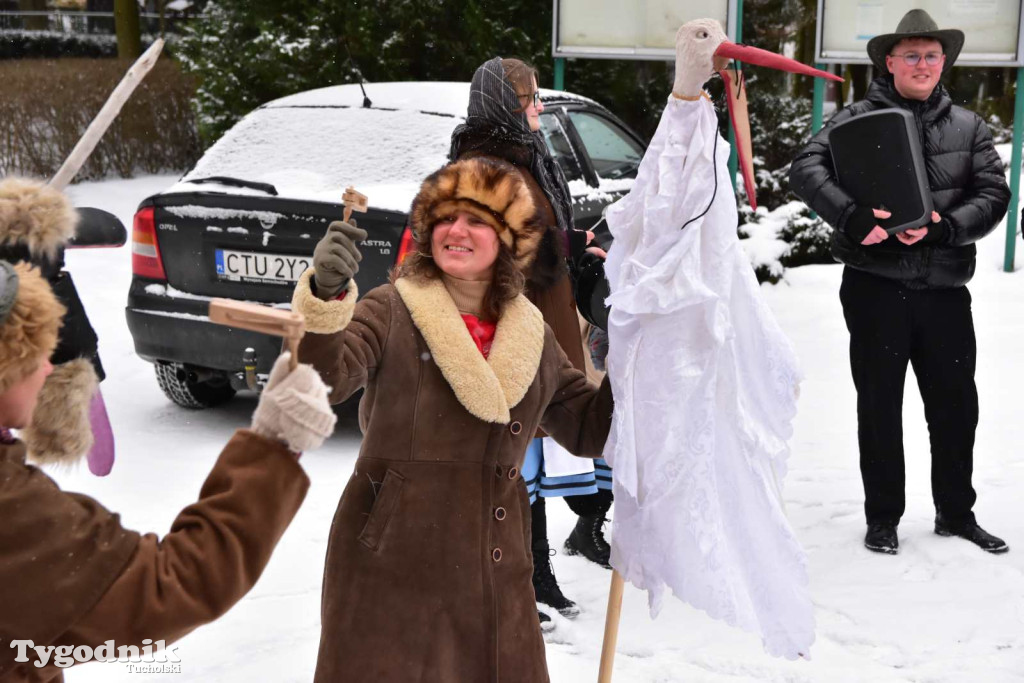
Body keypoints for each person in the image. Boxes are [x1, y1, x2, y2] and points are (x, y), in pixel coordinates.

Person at [295, 155, 613, 682]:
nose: (456, 231)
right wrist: (324, 298)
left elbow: (590, 429)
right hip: (392, 566)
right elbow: (324, 382)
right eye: (444, 218)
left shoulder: (531, 333)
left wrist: (626, 337)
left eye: (476, 220)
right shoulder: (390, 309)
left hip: (495, 572)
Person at [0, 224, 336, 680]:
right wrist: (274, 445)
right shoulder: (11, 508)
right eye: (29, 353)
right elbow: (169, 586)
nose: (47, 366)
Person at [790, 9, 1011, 555]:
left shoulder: (969, 127)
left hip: (944, 291)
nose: (922, 64)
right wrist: (851, 217)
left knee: (956, 406)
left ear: (943, 63)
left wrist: (945, 227)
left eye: (931, 55)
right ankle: (883, 517)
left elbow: (993, 194)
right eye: (911, 55)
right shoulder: (854, 120)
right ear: (889, 62)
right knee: (880, 406)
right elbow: (806, 168)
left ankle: (956, 513)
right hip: (876, 287)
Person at [449, 56, 614, 621]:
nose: (539, 106)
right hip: (506, 325)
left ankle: (536, 574)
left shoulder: (523, 154)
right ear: (505, 105)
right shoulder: (484, 166)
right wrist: (567, 245)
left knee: (528, 455)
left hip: (538, 317)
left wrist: (573, 244)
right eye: (530, 97)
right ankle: (516, 582)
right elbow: (496, 244)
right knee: (512, 459)